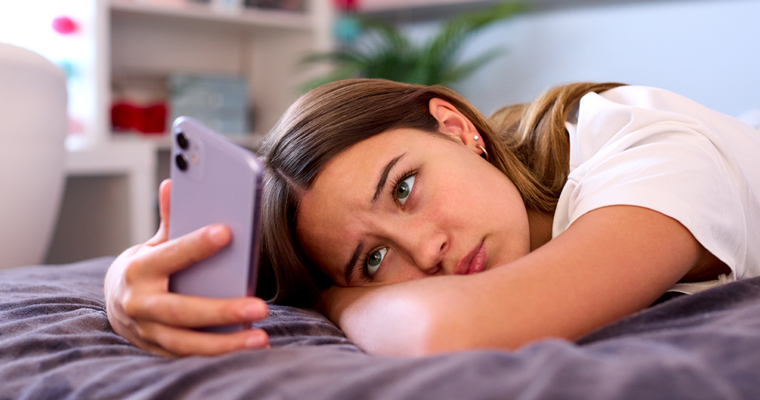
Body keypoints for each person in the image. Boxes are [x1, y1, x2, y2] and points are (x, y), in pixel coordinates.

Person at [105, 79, 760, 357]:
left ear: (455, 127)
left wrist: (340, 294)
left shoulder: (639, 145)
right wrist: (119, 289)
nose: (429, 250)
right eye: (373, 259)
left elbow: (447, 329)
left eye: (405, 188)